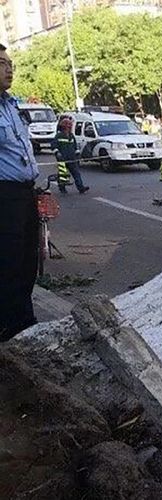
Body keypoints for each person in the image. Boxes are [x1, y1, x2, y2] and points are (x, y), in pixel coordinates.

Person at [0, 42, 40, 341]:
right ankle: (12, 327)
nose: (9, 68)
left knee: (28, 260)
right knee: (9, 262)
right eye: (2, 63)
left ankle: (24, 321)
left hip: (25, 194)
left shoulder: (11, 105)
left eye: (10, 63)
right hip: (5, 197)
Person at [52, 118, 88, 194]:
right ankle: (62, 188)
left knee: (76, 173)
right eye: (68, 125)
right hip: (62, 159)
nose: (69, 127)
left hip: (72, 158)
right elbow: (54, 145)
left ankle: (81, 188)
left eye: (70, 125)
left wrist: (77, 153)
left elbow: (75, 146)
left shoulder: (71, 136)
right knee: (63, 174)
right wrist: (57, 153)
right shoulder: (59, 135)